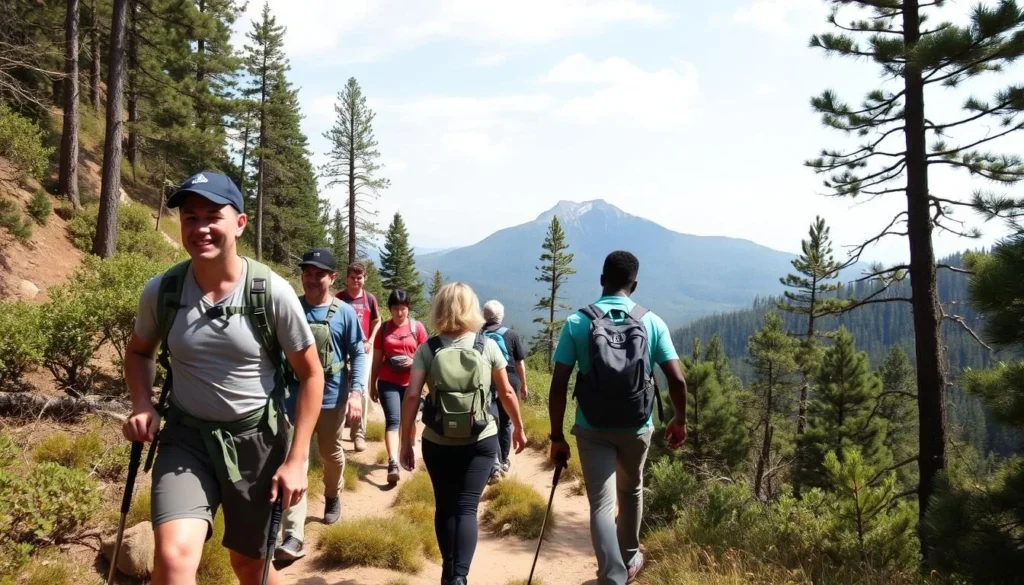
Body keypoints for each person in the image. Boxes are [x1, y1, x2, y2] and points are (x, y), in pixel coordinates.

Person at [122, 171, 324, 585]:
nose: (200, 228)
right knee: (173, 559)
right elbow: (140, 351)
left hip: (256, 445)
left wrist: (297, 460)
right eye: (190, 217)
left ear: (240, 223)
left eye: (213, 216)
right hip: (186, 440)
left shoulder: (272, 292)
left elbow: (311, 375)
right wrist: (142, 403)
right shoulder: (163, 291)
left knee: (249, 567)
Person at [548, 250, 688, 585]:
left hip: (592, 426)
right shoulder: (651, 322)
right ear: (634, 284)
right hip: (637, 425)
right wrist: (679, 420)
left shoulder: (578, 322)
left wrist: (556, 437)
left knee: (600, 503)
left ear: (601, 281)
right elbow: (678, 380)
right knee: (632, 491)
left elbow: (558, 384)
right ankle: (628, 561)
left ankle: (610, 576)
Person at [399, 283, 527, 585]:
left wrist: (407, 439)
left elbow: (412, 396)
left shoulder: (428, 349)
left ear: (439, 309)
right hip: (481, 440)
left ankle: (448, 570)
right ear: (472, 309)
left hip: (437, 440)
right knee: (466, 509)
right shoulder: (487, 345)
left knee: (445, 507)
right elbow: (507, 391)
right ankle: (459, 577)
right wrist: (518, 427)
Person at [275, 248, 367, 560]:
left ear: (332, 277)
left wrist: (356, 392)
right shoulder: (291, 308)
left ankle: (332, 494)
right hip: (292, 399)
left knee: (330, 453)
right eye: (307, 273)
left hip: (331, 400)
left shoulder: (344, 313)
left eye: (318, 274)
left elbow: (358, 354)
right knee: (294, 460)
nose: (311, 279)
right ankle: (293, 535)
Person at [370, 289, 428, 485]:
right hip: (388, 381)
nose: (399, 313)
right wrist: (372, 384)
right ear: (390, 309)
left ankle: (408, 449)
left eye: (402, 309)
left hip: (413, 382)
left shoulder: (417, 328)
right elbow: (377, 359)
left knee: (409, 421)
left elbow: (426, 357)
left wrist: (414, 363)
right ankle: (393, 462)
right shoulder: (384, 329)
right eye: (395, 309)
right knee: (393, 421)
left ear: (408, 308)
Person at [480, 300, 528, 485]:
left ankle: (494, 464)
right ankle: (504, 461)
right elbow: (519, 363)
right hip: (509, 382)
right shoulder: (511, 334)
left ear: (484, 316)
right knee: (506, 423)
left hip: (487, 383)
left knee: (490, 423)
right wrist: (523, 385)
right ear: (501, 316)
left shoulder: (478, 335)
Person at [336, 262, 380, 452]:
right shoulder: (339, 298)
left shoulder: (369, 299)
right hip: (340, 350)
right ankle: (337, 429)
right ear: (347, 278)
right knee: (340, 387)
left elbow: (377, 321)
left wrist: (370, 340)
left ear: (365, 278)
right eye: (353, 277)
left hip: (363, 350)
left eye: (359, 277)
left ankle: (358, 433)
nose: (356, 281)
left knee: (359, 390)